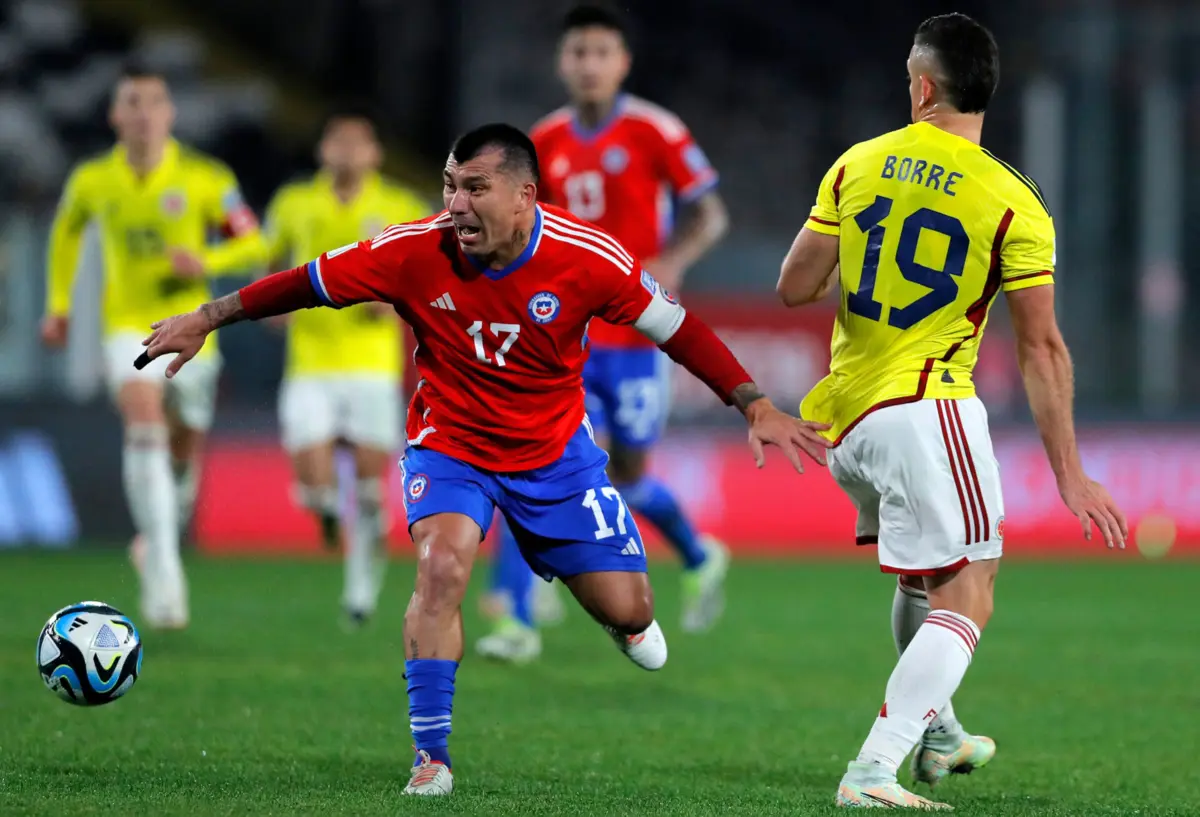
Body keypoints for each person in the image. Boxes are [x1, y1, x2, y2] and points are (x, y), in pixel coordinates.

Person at [136, 123, 831, 796]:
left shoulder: (589, 257)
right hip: (452, 446)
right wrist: (206, 316)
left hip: (556, 457)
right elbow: (302, 282)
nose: (456, 205)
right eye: (448, 186)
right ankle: (430, 757)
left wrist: (754, 403)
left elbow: (677, 329)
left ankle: (590, 586)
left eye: (475, 187)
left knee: (633, 611)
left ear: (525, 195)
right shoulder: (413, 250)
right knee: (440, 569)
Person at [778, 14, 1128, 809]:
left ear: (925, 87)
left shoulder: (857, 163)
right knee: (972, 584)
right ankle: (871, 772)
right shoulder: (1013, 200)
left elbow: (795, 287)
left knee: (930, 577)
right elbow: (1041, 349)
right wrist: (1070, 473)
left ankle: (940, 731)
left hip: (848, 421)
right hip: (926, 404)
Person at [479, 4, 733, 663]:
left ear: (622, 62)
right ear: (562, 62)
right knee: (535, 456)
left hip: (638, 332)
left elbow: (710, 213)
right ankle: (514, 615)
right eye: (577, 52)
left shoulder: (655, 130)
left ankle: (701, 552)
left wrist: (671, 262)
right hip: (565, 333)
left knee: (628, 474)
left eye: (601, 52)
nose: (588, 64)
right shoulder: (543, 140)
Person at [41, 64, 265, 630]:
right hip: (126, 326)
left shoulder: (205, 178)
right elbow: (66, 235)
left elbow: (254, 242)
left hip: (190, 328)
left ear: (170, 114)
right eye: (131, 103)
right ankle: (165, 572)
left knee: (183, 450)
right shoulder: (93, 180)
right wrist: (59, 306)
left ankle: (162, 528)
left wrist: (205, 262)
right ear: (116, 115)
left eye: (153, 103)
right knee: (143, 421)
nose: (143, 113)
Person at [263, 110, 430, 626]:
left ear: (375, 153)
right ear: (323, 150)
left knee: (368, 486)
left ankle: (360, 593)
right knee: (311, 481)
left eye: (359, 143)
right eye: (339, 141)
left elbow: (429, 269)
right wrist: (275, 305)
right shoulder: (293, 203)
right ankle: (325, 513)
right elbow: (267, 264)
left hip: (371, 367)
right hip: (310, 363)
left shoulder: (399, 205)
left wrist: (399, 301)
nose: (348, 151)